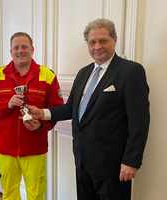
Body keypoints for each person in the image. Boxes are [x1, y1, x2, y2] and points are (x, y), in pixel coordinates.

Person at [24, 18, 150, 200]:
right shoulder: (84, 73)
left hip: (112, 165)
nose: (97, 46)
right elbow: (70, 108)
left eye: (103, 40)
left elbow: (139, 122)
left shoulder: (131, 71)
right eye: (92, 42)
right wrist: (42, 113)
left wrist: (131, 161)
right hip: (82, 161)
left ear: (115, 40)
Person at [0, 32, 63, 200]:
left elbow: (57, 110)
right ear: (10, 51)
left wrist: (40, 125)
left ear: (32, 49)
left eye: (24, 46)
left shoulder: (48, 76)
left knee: (35, 194)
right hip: (6, 148)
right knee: (9, 193)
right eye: (16, 47)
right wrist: (7, 105)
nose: (20, 51)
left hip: (35, 147)